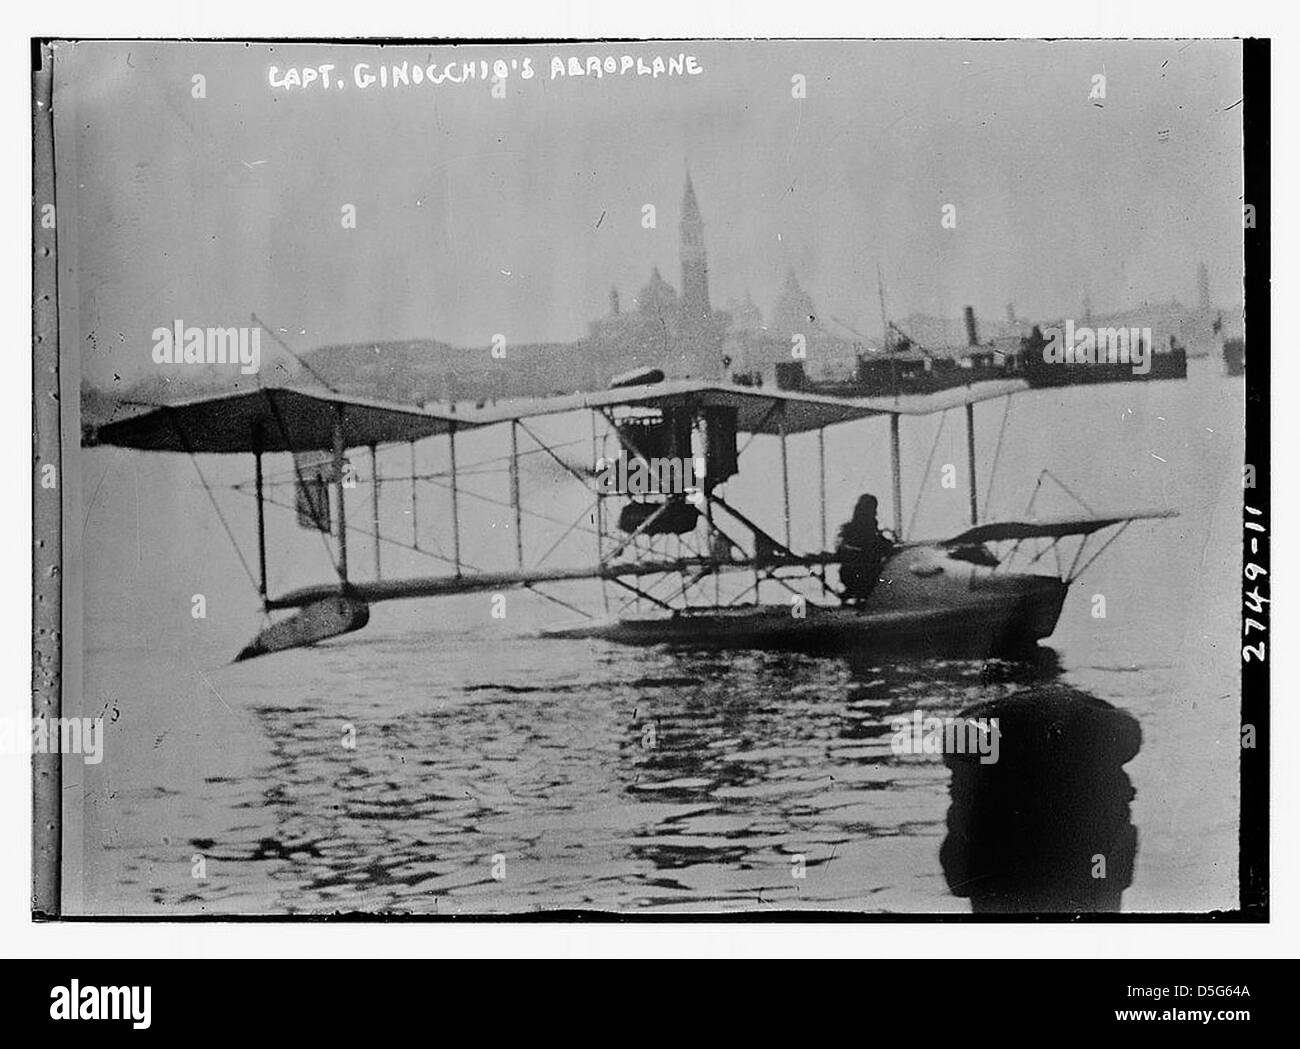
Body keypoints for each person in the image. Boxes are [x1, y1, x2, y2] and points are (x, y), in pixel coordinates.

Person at [836, 493, 890, 604]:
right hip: (865, 574)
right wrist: (889, 545)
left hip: (848, 573)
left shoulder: (849, 528)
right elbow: (875, 544)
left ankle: (852, 594)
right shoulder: (867, 526)